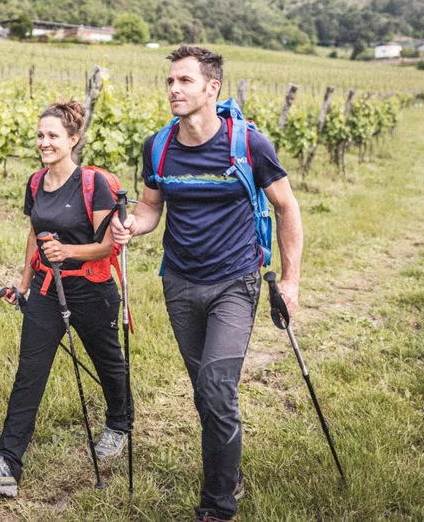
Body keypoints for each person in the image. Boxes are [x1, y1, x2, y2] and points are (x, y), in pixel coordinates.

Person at [111, 45, 303, 522]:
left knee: (217, 388)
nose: (174, 89)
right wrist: (132, 225)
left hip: (235, 282)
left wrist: (291, 280)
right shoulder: (158, 146)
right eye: (170, 81)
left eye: (185, 81)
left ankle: (216, 506)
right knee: (206, 392)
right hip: (179, 283)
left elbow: (286, 206)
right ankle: (229, 469)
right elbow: (151, 206)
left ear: (212, 87)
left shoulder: (249, 145)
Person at [0, 99, 133, 499]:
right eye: (40, 135)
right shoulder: (36, 182)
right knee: (29, 372)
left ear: (73, 139)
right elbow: (34, 234)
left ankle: (119, 424)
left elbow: (107, 246)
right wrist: (23, 284)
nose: (44, 142)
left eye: (53, 136)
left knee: (109, 363)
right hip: (45, 289)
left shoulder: (94, 184)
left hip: (91, 289)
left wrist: (67, 251)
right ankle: (8, 463)